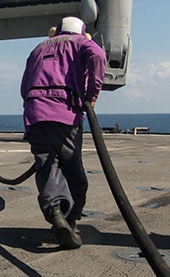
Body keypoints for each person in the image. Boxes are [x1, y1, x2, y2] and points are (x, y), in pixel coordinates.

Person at [21, 16, 106, 250]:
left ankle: (55, 210)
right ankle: (71, 219)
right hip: (65, 112)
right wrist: (91, 95)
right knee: (73, 169)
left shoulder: (38, 48)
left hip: (35, 112)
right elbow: (98, 57)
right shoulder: (80, 43)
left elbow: (23, 86)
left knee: (47, 166)